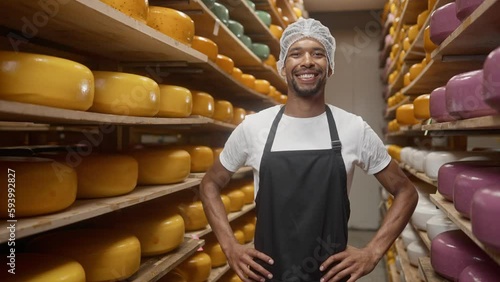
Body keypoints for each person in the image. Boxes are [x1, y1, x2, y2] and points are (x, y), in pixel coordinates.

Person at [199, 18, 418, 282]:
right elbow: (209, 184)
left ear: (330, 67)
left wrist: (372, 252)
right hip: (267, 275)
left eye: (318, 54)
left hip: (330, 277)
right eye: (296, 53)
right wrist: (230, 247)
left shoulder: (353, 129)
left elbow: (406, 191)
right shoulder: (255, 128)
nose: (307, 61)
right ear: (283, 66)